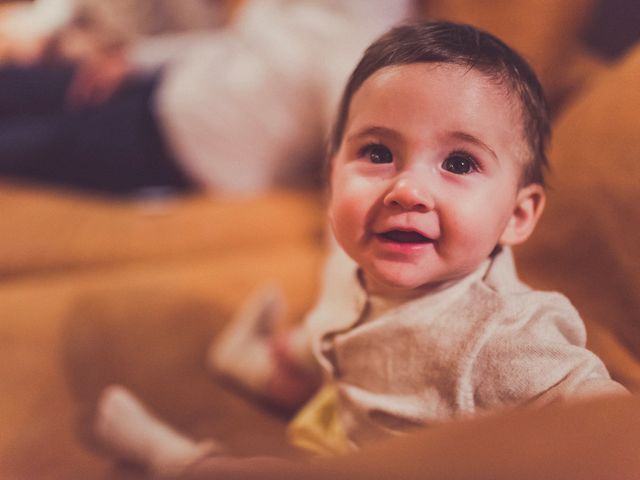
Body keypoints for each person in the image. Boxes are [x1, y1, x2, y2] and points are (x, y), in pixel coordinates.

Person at [93, 20, 627, 477]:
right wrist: (304, 350)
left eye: (458, 164)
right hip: (356, 403)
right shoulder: (377, 268)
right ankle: (248, 364)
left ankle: (175, 459)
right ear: (331, 178)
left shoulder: (507, 340)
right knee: (322, 369)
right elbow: (352, 333)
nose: (408, 190)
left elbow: (611, 426)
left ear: (516, 215)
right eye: (377, 152)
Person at [0, 0, 415, 195]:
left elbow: (359, 178)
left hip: (172, 148)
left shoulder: (368, 47)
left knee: (18, 146)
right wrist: (135, 60)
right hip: (167, 83)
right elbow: (235, 43)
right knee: (18, 82)